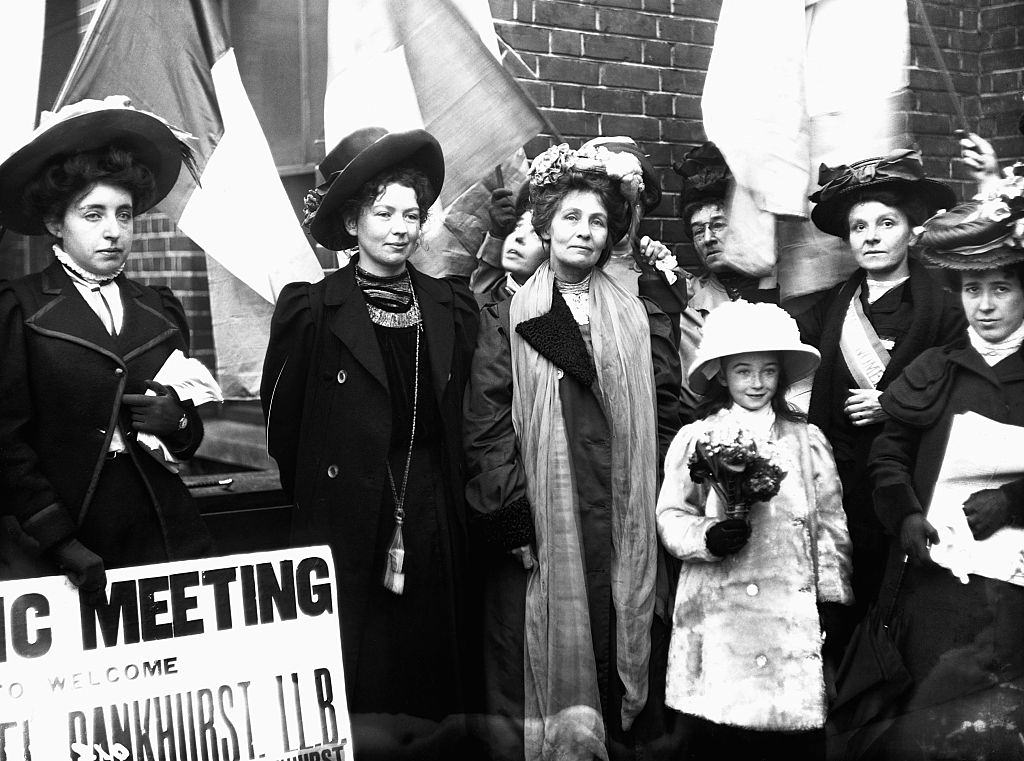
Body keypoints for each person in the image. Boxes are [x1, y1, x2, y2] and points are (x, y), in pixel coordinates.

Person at [463, 141, 684, 760]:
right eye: (570, 218)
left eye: (597, 221)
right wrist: (512, 514)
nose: (584, 232)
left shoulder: (638, 316)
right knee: (546, 646)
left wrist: (651, 495)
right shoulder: (510, 312)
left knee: (620, 640)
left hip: (619, 511)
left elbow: (667, 407)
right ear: (545, 225)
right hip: (545, 512)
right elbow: (485, 424)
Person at [261, 127, 480, 750]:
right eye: (383, 213)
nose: (400, 227)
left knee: (429, 665)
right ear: (353, 223)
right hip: (346, 516)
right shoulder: (312, 309)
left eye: (412, 215)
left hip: (433, 509)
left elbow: (467, 414)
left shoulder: (450, 307)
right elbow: (286, 429)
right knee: (360, 671)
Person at [0, 97, 212, 598]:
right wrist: (57, 538)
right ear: (58, 223)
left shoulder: (159, 308)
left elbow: (188, 436)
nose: (113, 231)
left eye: (124, 214)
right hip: (66, 544)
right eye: (92, 214)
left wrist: (177, 420)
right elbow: (4, 443)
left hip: (161, 533)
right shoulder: (20, 308)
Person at [865, 186, 1024, 759]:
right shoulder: (935, 368)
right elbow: (889, 452)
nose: (984, 304)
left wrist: (1013, 500)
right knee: (931, 723)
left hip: (1015, 588)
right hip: (938, 578)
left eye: (1001, 289)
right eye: (973, 289)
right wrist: (904, 511)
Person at [656, 299, 853, 761]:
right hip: (720, 619)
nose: (757, 383)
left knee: (783, 742)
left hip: (788, 621)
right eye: (743, 371)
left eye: (768, 370)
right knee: (723, 739)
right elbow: (670, 514)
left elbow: (830, 526)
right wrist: (707, 536)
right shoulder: (698, 438)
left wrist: (833, 600)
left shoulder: (806, 441)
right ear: (722, 375)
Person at [796, 149, 966, 626]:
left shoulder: (947, 312)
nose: (871, 237)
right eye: (859, 227)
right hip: (844, 486)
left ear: (911, 230)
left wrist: (894, 404)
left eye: (886, 223)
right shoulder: (832, 308)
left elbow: (963, 391)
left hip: (913, 486)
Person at [673, 141, 779, 314]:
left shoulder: (786, 289)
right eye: (698, 231)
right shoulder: (689, 299)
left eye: (718, 225)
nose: (708, 239)